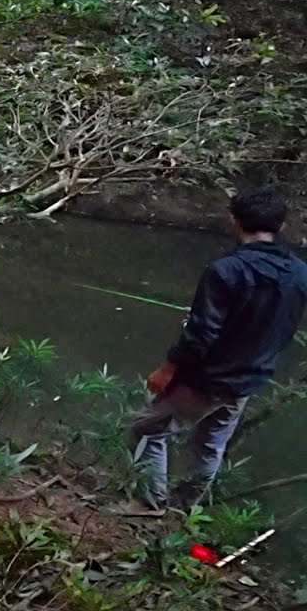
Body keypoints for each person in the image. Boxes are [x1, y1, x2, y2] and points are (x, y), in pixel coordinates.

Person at [127, 186, 307, 514]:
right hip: (249, 380)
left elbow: (201, 334)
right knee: (210, 446)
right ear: (280, 226)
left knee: (146, 431)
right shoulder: (300, 273)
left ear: (235, 221)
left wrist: (168, 369)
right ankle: (182, 510)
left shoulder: (225, 270)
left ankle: (150, 503)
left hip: (208, 380)